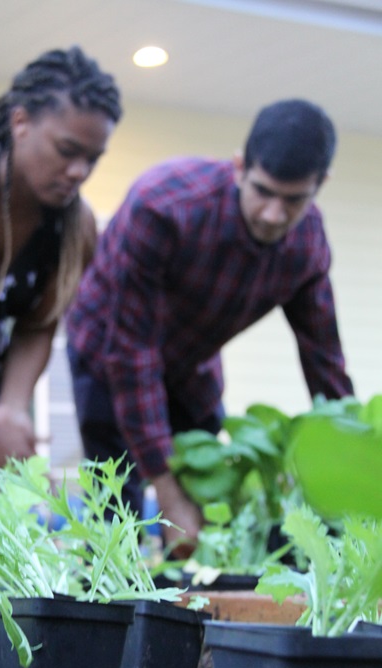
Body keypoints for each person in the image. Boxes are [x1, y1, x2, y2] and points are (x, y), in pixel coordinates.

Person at [66, 98, 354, 554]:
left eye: (294, 199)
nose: (273, 214)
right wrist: (165, 489)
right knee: (117, 507)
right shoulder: (164, 206)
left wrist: (353, 459)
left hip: (190, 366)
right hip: (107, 354)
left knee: (207, 500)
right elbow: (132, 352)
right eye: (263, 191)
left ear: (321, 185)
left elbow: (325, 363)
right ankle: (110, 578)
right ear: (239, 167)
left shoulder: (306, 245)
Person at [0, 46, 122, 468]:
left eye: (92, 159)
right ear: (20, 122)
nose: (79, 171)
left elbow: (38, 325)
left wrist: (11, 409)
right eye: (67, 149)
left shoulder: (75, 227)